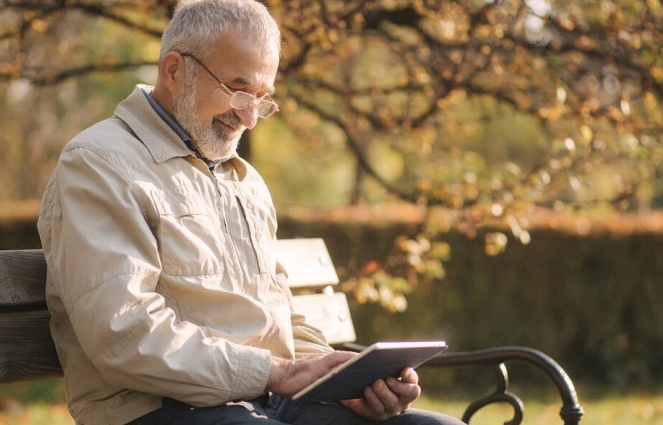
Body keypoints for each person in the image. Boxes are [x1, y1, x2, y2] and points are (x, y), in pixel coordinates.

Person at [37, 1, 464, 424]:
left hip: (269, 402)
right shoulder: (98, 163)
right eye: (239, 90)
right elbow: (123, 334)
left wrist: (347, 382)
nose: (250, 117)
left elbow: (278, 316)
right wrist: (276, 373)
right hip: (161, 408)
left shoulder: (244, 180)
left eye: (262, 98)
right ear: (173, 70)